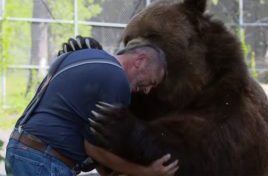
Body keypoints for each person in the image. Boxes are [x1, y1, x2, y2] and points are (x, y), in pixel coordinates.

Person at [5, 36, 178, 176]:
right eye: (152, 82)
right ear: (140, 60)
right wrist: (146, 172)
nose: (147, 91)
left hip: (21, 149)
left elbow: (79, 127)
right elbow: (95, 148)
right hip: (43, 160)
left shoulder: (80, 56)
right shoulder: (116, 79)